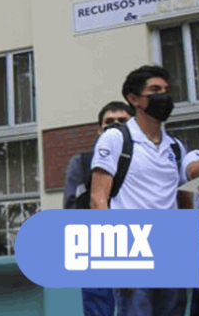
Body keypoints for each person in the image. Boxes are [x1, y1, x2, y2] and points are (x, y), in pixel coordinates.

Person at [91, 65, 190, 316]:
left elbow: (182, 198)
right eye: (154, 90)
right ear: (134, 99)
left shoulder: (175, 147)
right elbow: (98, 198)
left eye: (167, 90)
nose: (163, 96)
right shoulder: (116, 139)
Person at [62, 101, 132, 316]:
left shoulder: (141, 160)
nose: (115, 125)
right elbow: (71, 208)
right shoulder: (82, 163)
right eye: (109, 122)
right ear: (99, 129)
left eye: (122, 121)